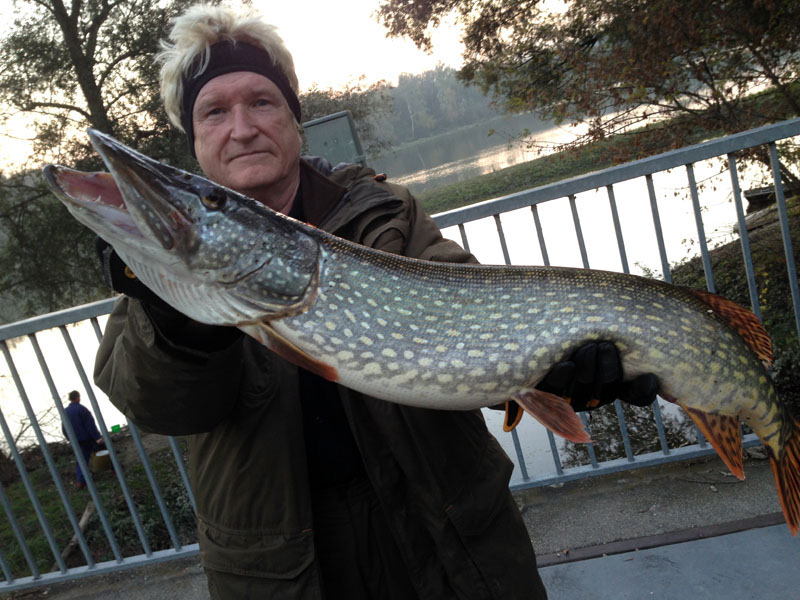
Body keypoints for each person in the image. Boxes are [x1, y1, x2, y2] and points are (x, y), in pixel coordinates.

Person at [93, 4, 658, 598]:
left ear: (293, 118)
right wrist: (172, 320)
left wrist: (555, 371)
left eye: (261, 102)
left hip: (449, 539)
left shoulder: (382, 212)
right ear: (195, 139)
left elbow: (475, 335)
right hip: (285, 572)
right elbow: (161, 409)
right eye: (214, 111)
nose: (241, 128)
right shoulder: (166, 274)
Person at [62, 390, 104, 489]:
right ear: (77, 397)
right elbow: (90, 425)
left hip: (76, 441)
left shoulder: (65, 411)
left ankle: (81, 481)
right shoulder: (82, 409)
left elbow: (64, 428)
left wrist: (69, 439)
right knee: (103, 450)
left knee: (81, 460)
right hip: (87, 439)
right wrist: (97, 437)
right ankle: (115, 469)